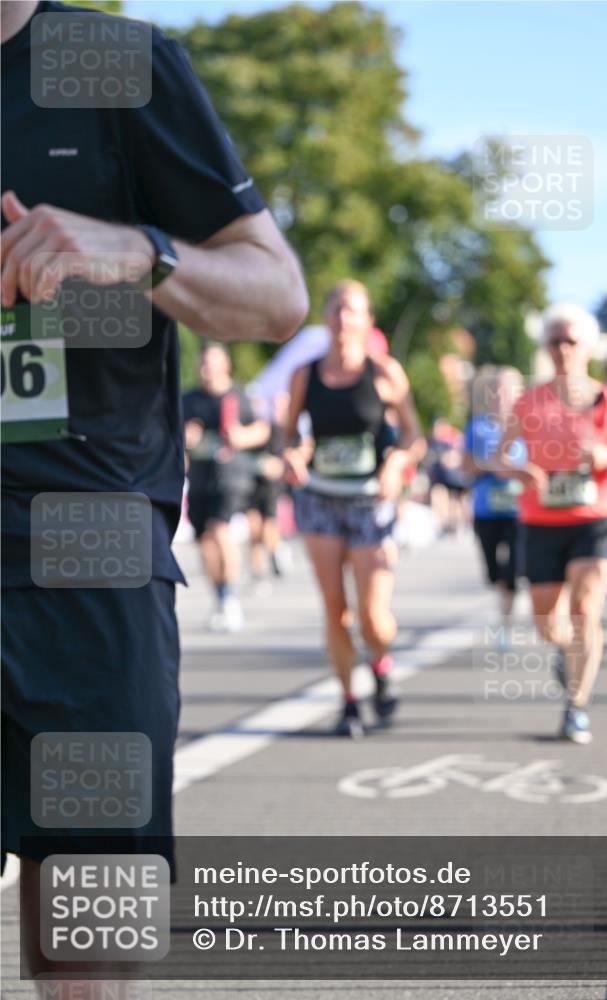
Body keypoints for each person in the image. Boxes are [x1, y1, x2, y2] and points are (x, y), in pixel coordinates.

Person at [1, 0, 307, 988]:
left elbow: (275, 294)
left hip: (85, 551)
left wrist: (144, 251)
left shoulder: (112, 63)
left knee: (86, 948)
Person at [495, 304, 607, 744]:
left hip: (593, 519)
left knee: (585, 610)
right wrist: (519, 471)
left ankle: (576, 705)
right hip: (541, 521)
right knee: (547, 624)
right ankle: (565, 652)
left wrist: (605, 456)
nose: (562, 349)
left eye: (571, 341)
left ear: (587, 349)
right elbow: (499, 455)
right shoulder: (530, 401)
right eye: (554, 341)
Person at [283, 280, 421, 737]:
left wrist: (396, 465)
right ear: (324, 318)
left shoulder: (384, 372)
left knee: (372, 618)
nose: (344, 319)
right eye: (337, 309)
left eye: (353, 311)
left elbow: (412, 436)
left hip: (370, 502)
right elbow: (288, 433)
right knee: (334, 611)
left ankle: (381, 663)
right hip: (321, 499)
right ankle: (347, 700)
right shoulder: (305, 373)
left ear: (367, 321)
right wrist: (292, 454)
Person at [183, 343, 270, 630]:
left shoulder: (240, 395)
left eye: (212, 363)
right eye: (202, 364)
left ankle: (230, 595)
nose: (206, 370)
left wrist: (240, 436)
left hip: (231, 477)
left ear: (225, 366)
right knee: (205, 540)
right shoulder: (188, 399)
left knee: (220, 530)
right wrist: (187, 438)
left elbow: (262, 429)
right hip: (199, 478)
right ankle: (219, 595)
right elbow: (174, 436)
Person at [462, 366, 525, 642]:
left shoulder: (528, 424)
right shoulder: (477, 426)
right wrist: (491, 465)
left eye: (509, 388)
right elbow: (465, 466)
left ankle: (505, 624)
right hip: (486, 510)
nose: (502, 395)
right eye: (498, 388)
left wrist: (514, 470)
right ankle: (503, 595)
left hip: (518, 511)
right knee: (492, 572)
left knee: (512, 570)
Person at [245, 390, 291, 584]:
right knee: (253, 528)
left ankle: (277, 549)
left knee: (268, 527)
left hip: (271, 485)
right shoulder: (249, 428)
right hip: (250, 483)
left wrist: (276, 466)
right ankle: (258, 572)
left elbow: (284, 457)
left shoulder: (280, 428)